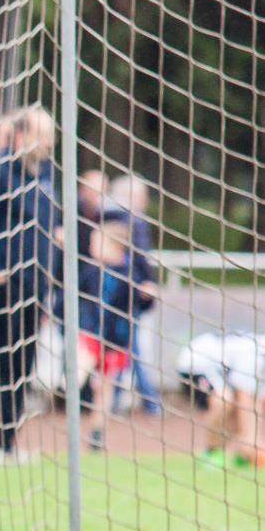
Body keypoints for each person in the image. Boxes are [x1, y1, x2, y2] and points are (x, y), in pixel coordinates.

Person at [0, 105, 57, 464]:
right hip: (2, 288)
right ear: (20, 136)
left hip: (35, 288)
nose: (49, 143)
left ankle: (5, 442)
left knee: (22, 365)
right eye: (42, 134)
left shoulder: (46, 175)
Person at [76, 219, 154, 451]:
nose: (92, 248)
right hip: (92, 334)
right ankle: (69, 387)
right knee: (83, 362)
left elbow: (138, 304)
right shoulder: (90, 270)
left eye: (96, 243)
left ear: (114, 247)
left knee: (104, 388)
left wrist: (146, 297)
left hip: (116, 340)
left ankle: (96, 435)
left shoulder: (130, 274)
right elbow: (74, 293)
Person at [175, 329, 265, 467]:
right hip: (194, 363)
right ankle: (211, 453)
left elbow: (255, 402)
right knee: (224, 400)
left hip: (218, 371)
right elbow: (244, 395)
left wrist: (255, 436)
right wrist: (249, 438)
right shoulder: (258, 354)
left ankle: (239, 453)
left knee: (236, 408)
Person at [110, 172, 163, 416]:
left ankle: (116, 398)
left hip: (109, 292)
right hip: (128, 290)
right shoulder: (135, 220)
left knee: (123, 346)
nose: (145, 201)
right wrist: (148, 282)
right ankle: (148, 402)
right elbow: (141, 256)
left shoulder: (105, 214)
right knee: (130, 346)